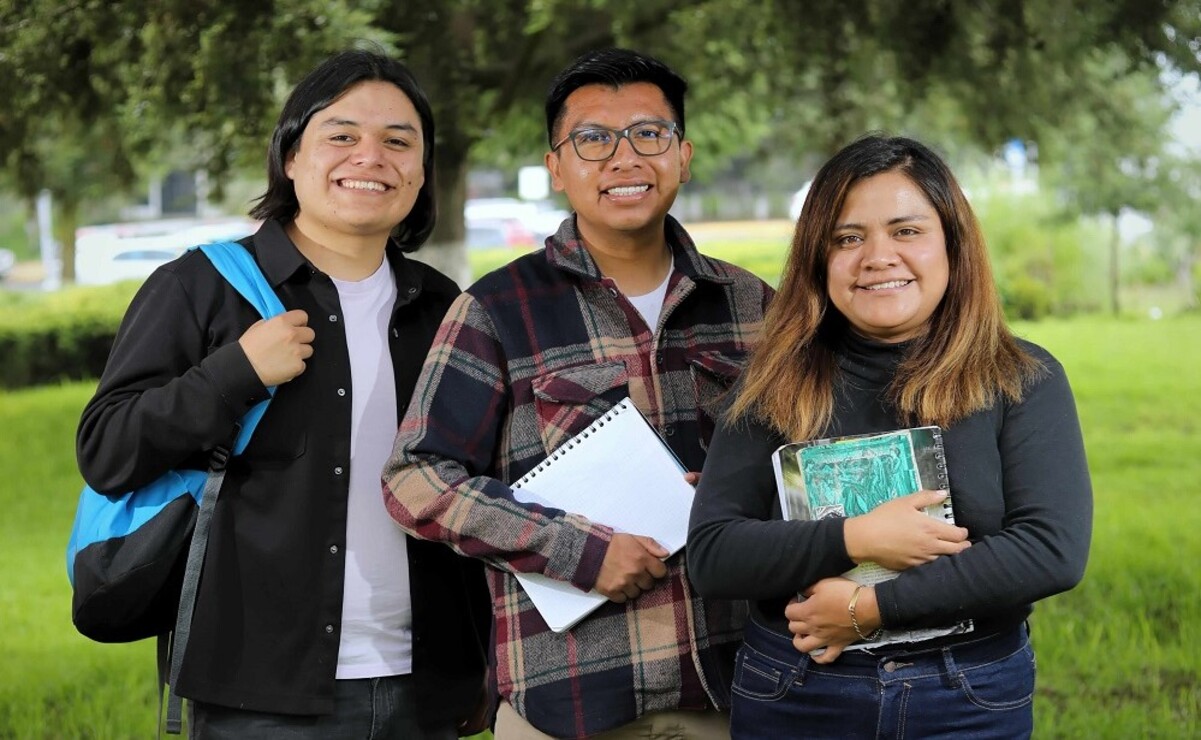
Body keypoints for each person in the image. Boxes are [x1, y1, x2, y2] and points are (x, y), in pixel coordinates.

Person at [76, 49, 491, 738]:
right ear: (292, 156)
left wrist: (482, 655)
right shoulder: (203, 288)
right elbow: (107, 451)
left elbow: (471, 485)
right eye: (341, 135)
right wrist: (234, 373)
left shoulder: (443, 307)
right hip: (258, 692)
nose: (370, 157)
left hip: (425, 688)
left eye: (398, 141)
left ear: (422, 171)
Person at [382, 48, 773, 739]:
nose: (625, 158)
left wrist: (740, 491)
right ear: (556, 168)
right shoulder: (496, 310)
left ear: (682, 156)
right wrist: (575, 551)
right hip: (569, 703)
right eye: (593, 139)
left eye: (649, 134)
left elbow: (806, 465)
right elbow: (415, 479)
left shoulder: (754, 306)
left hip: (737, 689)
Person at [687, 134, 1093, 739]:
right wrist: (858, 537)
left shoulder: (1020, 378)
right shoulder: (773, 383)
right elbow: (713, 555)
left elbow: (1050, 549)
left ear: (953, 245)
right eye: (848, 238)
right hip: (798, 691)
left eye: (907, 231)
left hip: (968, 697)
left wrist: (869, 609)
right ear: (818, 260)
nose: (878, 256)